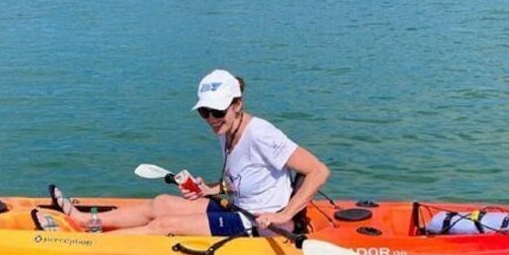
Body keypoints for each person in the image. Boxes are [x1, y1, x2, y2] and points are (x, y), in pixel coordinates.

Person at [48, 69, 330, 236]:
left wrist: (285, 215)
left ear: (237, 105)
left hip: (260, 222)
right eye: (204, 112)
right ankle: (86, 221)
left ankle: (91, 243)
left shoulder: (261, 133)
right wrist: (210, 189)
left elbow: (318, 170)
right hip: (241, 207)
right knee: (160, 203)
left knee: (163, 224)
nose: (211, 118)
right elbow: (246, 178)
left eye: (217, 111)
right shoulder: (227, 129)